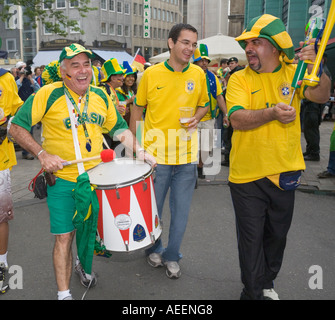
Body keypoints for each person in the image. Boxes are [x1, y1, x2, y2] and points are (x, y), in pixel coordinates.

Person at [9, 43, 156, 300]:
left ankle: (82, 266)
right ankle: (63, 294)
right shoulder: (47, 94)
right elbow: (16, 127)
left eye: (86, 64)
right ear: (63, 70)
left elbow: (119, 130)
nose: (82, 70)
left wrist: (140, 151)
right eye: (75, 65)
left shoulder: (100, 96)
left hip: (96, 179)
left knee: (89, 231)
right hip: (63, 181)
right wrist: (42, 154)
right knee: (64, 237)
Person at [226, 14, 331, 300]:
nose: (249, 48)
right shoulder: (239, 79)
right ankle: (252, 292)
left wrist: (317, 67)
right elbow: (236, 119)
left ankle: (266, 281)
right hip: (246, 174)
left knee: (276, 237)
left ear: (274, 47)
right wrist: (271, 112)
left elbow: (321, 95)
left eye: (256, 42)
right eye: (247, 43)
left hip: (285, 172)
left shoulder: (295, 72)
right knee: (250, 241)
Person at [130, 23, 209, 279]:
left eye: (194, 44)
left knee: (181, 213)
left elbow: (204, 106)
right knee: (153, 211)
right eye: (185, 42)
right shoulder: (150, 75)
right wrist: (136, 147)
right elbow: (138, 110)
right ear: (171, 43)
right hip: (155, 159)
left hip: (186, 158)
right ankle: (154, 248)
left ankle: (172, 255)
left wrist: (197, 117)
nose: (190, 48)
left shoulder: (198, 74)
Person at [0, 68, 24, 294]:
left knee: (0, 217)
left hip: (0, 160)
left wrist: (8, 125)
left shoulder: (5, 78)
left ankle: (2, 263)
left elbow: (18, 109)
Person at [192, 44, 228, 179]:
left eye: (206, 60)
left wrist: (225, 114)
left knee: (206, 149)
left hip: (209, 119)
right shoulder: (188, 75)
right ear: (195, 61)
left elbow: (219, 96)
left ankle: (200, 166)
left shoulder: (212, 77)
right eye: (201, 60)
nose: (204, 63)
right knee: (192, 149)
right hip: (192, 120)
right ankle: (192, 173)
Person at [99, 58, 127, 151]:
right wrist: (114, 109)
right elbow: (98, 109)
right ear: (112, 77)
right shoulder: (103, 90)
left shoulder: (112, 90)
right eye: (120, 75)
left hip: (113, 134)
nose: (123, 78)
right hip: (105, 136)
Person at [15, 61, 40, 160]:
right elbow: (15, 89)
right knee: (24, 131)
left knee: (30, 131)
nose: (24, 70)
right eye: (22, 68)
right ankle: (26, 152)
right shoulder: (15, 80)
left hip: (30, 108)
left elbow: (38, 90)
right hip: (20, 109)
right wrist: (21, 76)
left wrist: (30, 78)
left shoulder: (31, 80)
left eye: (25, 68)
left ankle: (31, 151)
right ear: (17, 70)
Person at [116, 61, 138, 126]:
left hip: (136, 121)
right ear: (123, 78)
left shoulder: (133, 91)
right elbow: (116, 106)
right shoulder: (118, 91)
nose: (131, 79)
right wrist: (129, 100)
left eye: (133, 76)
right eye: (128, 76)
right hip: (124, 123)